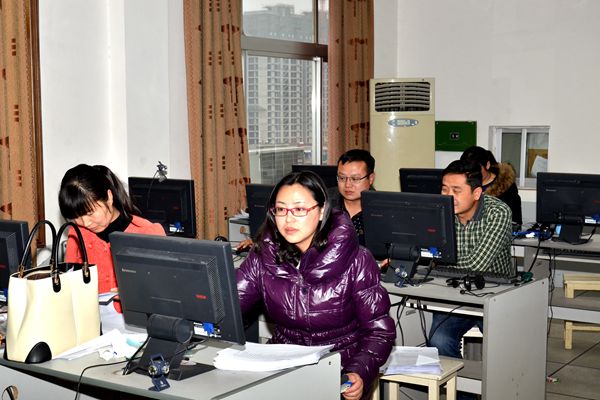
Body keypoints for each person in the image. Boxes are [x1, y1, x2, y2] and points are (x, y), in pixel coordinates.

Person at [236, 171, 395, 400]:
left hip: (340, 369)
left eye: (299, 209)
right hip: (283, 366)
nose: (288, 219)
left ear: (321, 211)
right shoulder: (263, 257)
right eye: (281, 209)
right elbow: (229, 304)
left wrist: (359, 371)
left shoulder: (357, 260)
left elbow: (378, 331)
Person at [428, 160, 512, 399]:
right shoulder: (439, 211)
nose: (448, 196)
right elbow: (428, 255)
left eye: (456, 190)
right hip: (454, 295)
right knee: (438, 339)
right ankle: (464, 395)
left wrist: (440, 262)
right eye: (444, 189)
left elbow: (477, 265)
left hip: (496, 296)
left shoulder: (498, 212)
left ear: (476, 193)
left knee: (504, 348)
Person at [59, 164, 165, 295]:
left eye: (90, 213)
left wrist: (136, 295)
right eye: (76, 217)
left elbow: (163, 288)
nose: (85, 223)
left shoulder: (148, 233)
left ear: (109, 197)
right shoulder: (77, 233)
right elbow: (69, 286)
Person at [460, 145, 522, 229]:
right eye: (467, 170)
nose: (471, 173)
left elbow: (513, 222)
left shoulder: (506, 188)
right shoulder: (463, 185)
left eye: (476, 169)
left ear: (487, 165)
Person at [336, 149, 376, 246]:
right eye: (342, 178)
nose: (348, 185)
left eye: (355, 179)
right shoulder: (324, 203)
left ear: (371, 179)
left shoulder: (381, 209)